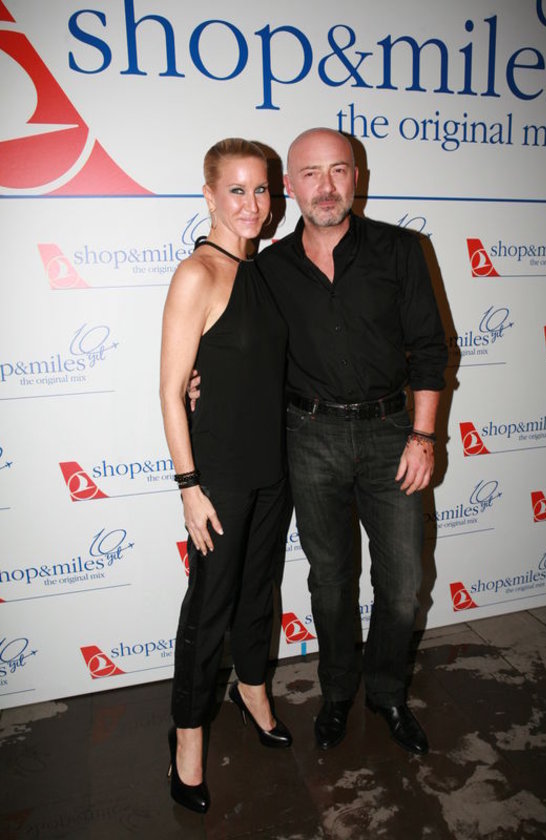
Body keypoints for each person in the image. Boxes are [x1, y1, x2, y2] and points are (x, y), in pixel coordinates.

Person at [255, 128, 448, 755]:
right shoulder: (268, 269)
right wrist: (201, 380)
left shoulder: (400, 250)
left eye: (338, 170)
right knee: (332, 579)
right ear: (290, 186)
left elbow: (430, 349)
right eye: (311, 173)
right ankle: (337, 690)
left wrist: (423, 435)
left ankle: (387, 692)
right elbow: (248, 352)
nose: (326, 186)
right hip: (309, 436)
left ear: (356, 178)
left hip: (393, 434)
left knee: (402, 583)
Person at [159, 138, 292, 814]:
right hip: (219, 478)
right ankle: (187, 738)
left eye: (261, 189)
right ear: (209, 195)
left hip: (274, 468)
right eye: (236, 189)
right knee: (208, 606)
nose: (251, 203)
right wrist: (189, 487)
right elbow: (169, 390)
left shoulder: (262, 271)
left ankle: (253, 691)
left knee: (258, 593)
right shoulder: (197, 274)